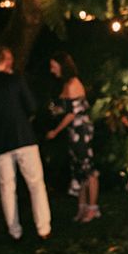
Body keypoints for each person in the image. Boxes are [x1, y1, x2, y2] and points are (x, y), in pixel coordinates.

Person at [0, 46, 52, 240]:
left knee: (7, 189)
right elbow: (32, 106)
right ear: (3, 60)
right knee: (36, 184)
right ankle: (43, 229)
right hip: (23, 138)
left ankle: (14, 231)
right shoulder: (15, 79)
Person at [47, 52, 100, 223]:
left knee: (88, 168)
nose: (51, 69)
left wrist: (55, 131)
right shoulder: (66, 84)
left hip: (81, 131)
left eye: (53, 65)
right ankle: (82, 207)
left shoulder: (73, 83)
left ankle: (93, 208)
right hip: (74, 132)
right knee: (79, 169)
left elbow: (72, 113)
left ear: (62, 65)